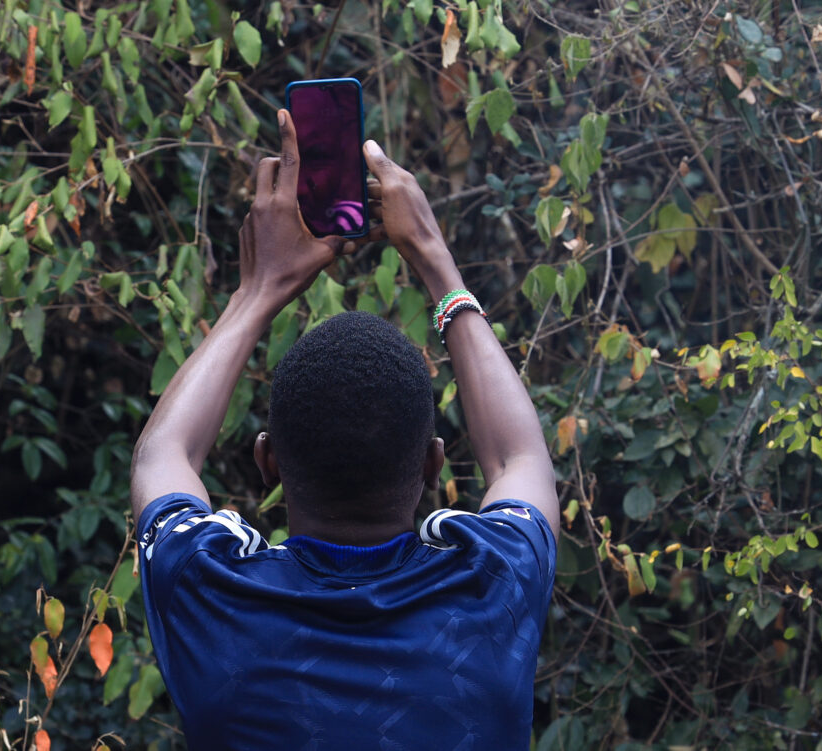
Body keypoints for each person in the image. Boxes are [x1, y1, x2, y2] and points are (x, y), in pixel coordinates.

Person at [131, 109, 559, 750]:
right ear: (432, 466)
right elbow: (518, 456)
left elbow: (162, 453)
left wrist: (259, 290)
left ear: (267, 462)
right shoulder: (493, 586)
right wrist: (435, 260)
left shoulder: (209, 594)